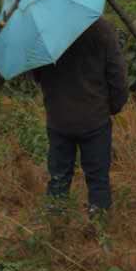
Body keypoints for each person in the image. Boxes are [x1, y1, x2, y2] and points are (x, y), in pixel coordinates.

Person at [31, 14, 128, 221]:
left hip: (58, 118)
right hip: (95, 119)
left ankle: (56, 227)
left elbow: (37, 74)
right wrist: (114, 106)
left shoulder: (46, 31)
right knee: (98, 178)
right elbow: (117, 74)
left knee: (58, 177)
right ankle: (99, 229)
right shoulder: (102, 28)